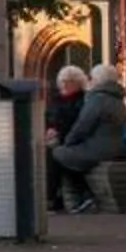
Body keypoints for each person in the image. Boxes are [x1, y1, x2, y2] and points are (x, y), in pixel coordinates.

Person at [48, 62, 126, 213]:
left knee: (59, 153)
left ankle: (75, 197)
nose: (90, 80)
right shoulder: (117, 99)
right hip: (116, 147)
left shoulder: (98, 99)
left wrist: (67, 143)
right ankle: (75, 198)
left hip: (99, 150)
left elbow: (82, 126)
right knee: (66, 154)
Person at [40, 63, 90, 213]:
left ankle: (51, 198)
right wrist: (49, 129)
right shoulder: (55, 100)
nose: (64, 84)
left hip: (70, 140)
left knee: (54, 157)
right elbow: (47, 117)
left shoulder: (82, 100)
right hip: (55, 138)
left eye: (68, 80)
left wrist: (57, 132)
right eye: (62, 80)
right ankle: (50, 197)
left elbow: (77, 123)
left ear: (78, 83)